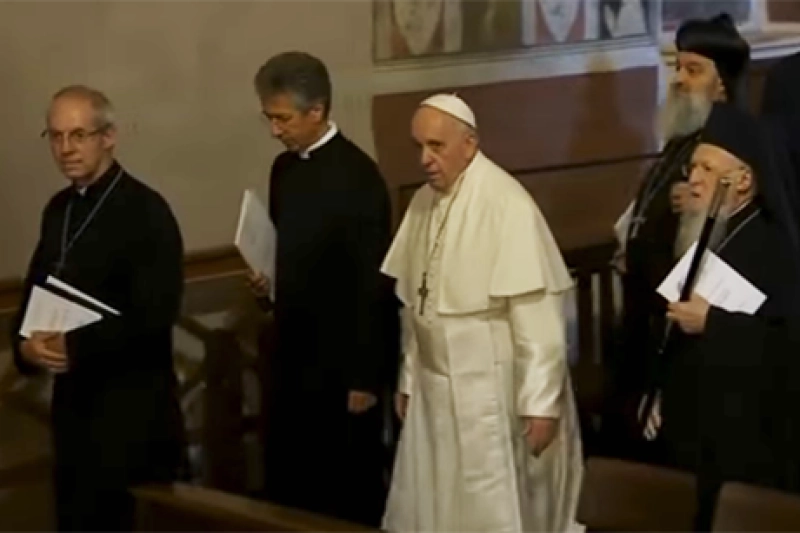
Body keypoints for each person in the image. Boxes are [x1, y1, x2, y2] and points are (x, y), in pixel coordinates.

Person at [381, 93, 584, 533]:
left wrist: (541, 405)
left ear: (469, 144)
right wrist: (408, 378)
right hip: (434, 390)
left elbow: (539, 322)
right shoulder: (421, 203)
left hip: (489, 388)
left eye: (437, 146)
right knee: (432, 501)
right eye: (420, 146)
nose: (425, 159)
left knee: (492, 506)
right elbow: (417, 307)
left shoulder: (507, 204)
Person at [10, 85, 186, 533]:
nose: (66, 149)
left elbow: (154, 315)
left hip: (134, 417)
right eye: (55, 137)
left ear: (109, 137)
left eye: (78, 135)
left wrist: (77, 344)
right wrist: (25, 348)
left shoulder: (147, 211)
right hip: (75, 417)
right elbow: (34, 294)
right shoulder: (58, 210)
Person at [248, 51, 397, 526]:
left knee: (343, 492)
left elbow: (373, 285)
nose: (275, 129)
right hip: (291, 359)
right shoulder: (284, 169)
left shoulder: (359, 178)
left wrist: (365, 378)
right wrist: (265, 279)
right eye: (269, 118)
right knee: (291, 488)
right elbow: (288, 249)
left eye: (283, 118)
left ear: (317, 111)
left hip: (341, 368)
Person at [643, 102, 800, 533]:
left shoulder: (775, 251)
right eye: (693, 167)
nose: (692, 179)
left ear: (743, 180)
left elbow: (788, 346)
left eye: (707, 170)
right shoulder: (706, 232)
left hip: (747, 441)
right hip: (693, 430)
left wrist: (714, 323)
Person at [608, 13, 750, 456]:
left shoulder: (730, 150)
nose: (679, 80)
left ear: (722, 84)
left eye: (694, 70)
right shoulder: (679, 142)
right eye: (677, 67)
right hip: (644, 313)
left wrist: (699, 204)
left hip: (687, 334)